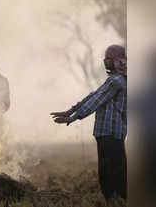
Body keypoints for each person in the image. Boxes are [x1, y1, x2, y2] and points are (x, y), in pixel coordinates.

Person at [51, 45, 127, 202]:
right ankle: (115, 201)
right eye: (106, 58)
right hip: (108, 133)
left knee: (112, 173)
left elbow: (95, 102)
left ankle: (116, 201)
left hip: (110, 133)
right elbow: (94, 95)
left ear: (121, 61)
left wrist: (72, 118)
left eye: (110, 58)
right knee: (111, 172)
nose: (106, 61)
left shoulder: (117, 81)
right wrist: (70, 111)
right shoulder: (113, 80)